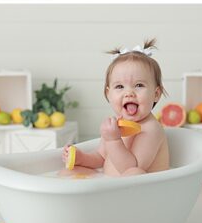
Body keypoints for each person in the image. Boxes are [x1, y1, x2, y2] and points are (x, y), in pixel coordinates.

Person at [63, 39, 169, 177]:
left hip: (147, 192)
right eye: (119, 87)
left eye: (139, 85)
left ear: (156, 94)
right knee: (69, 172)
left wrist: (113, 140)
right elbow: (101, 158)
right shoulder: (116, 124)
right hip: (112, 187)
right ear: (109, 94)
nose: (129, 93)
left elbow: (131, 168)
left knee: (135, 172)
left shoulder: (151, 128)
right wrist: (81, 158)